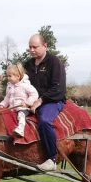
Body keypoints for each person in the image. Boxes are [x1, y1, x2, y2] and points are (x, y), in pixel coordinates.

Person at [23, 33, 66, 171]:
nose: (31, 50)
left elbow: (58, 88)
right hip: (31, 100)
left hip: (52, 101)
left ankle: (51, 158)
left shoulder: (54, 62)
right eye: (30, 47)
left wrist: (40, 101)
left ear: (45, 46)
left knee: (45, 120)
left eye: (35, 47)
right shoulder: (27, 65)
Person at [0, 64, 39, 137]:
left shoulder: (25, 85)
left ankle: (21, 129)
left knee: (21, 115)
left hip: (23, 108)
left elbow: (34, 94)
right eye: (7, 76)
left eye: (10, 76)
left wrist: (27, 103)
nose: (8, 78)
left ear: (18, 76)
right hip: (12, 108)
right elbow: (7, 98)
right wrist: (2, 105)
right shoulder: (9, 86)